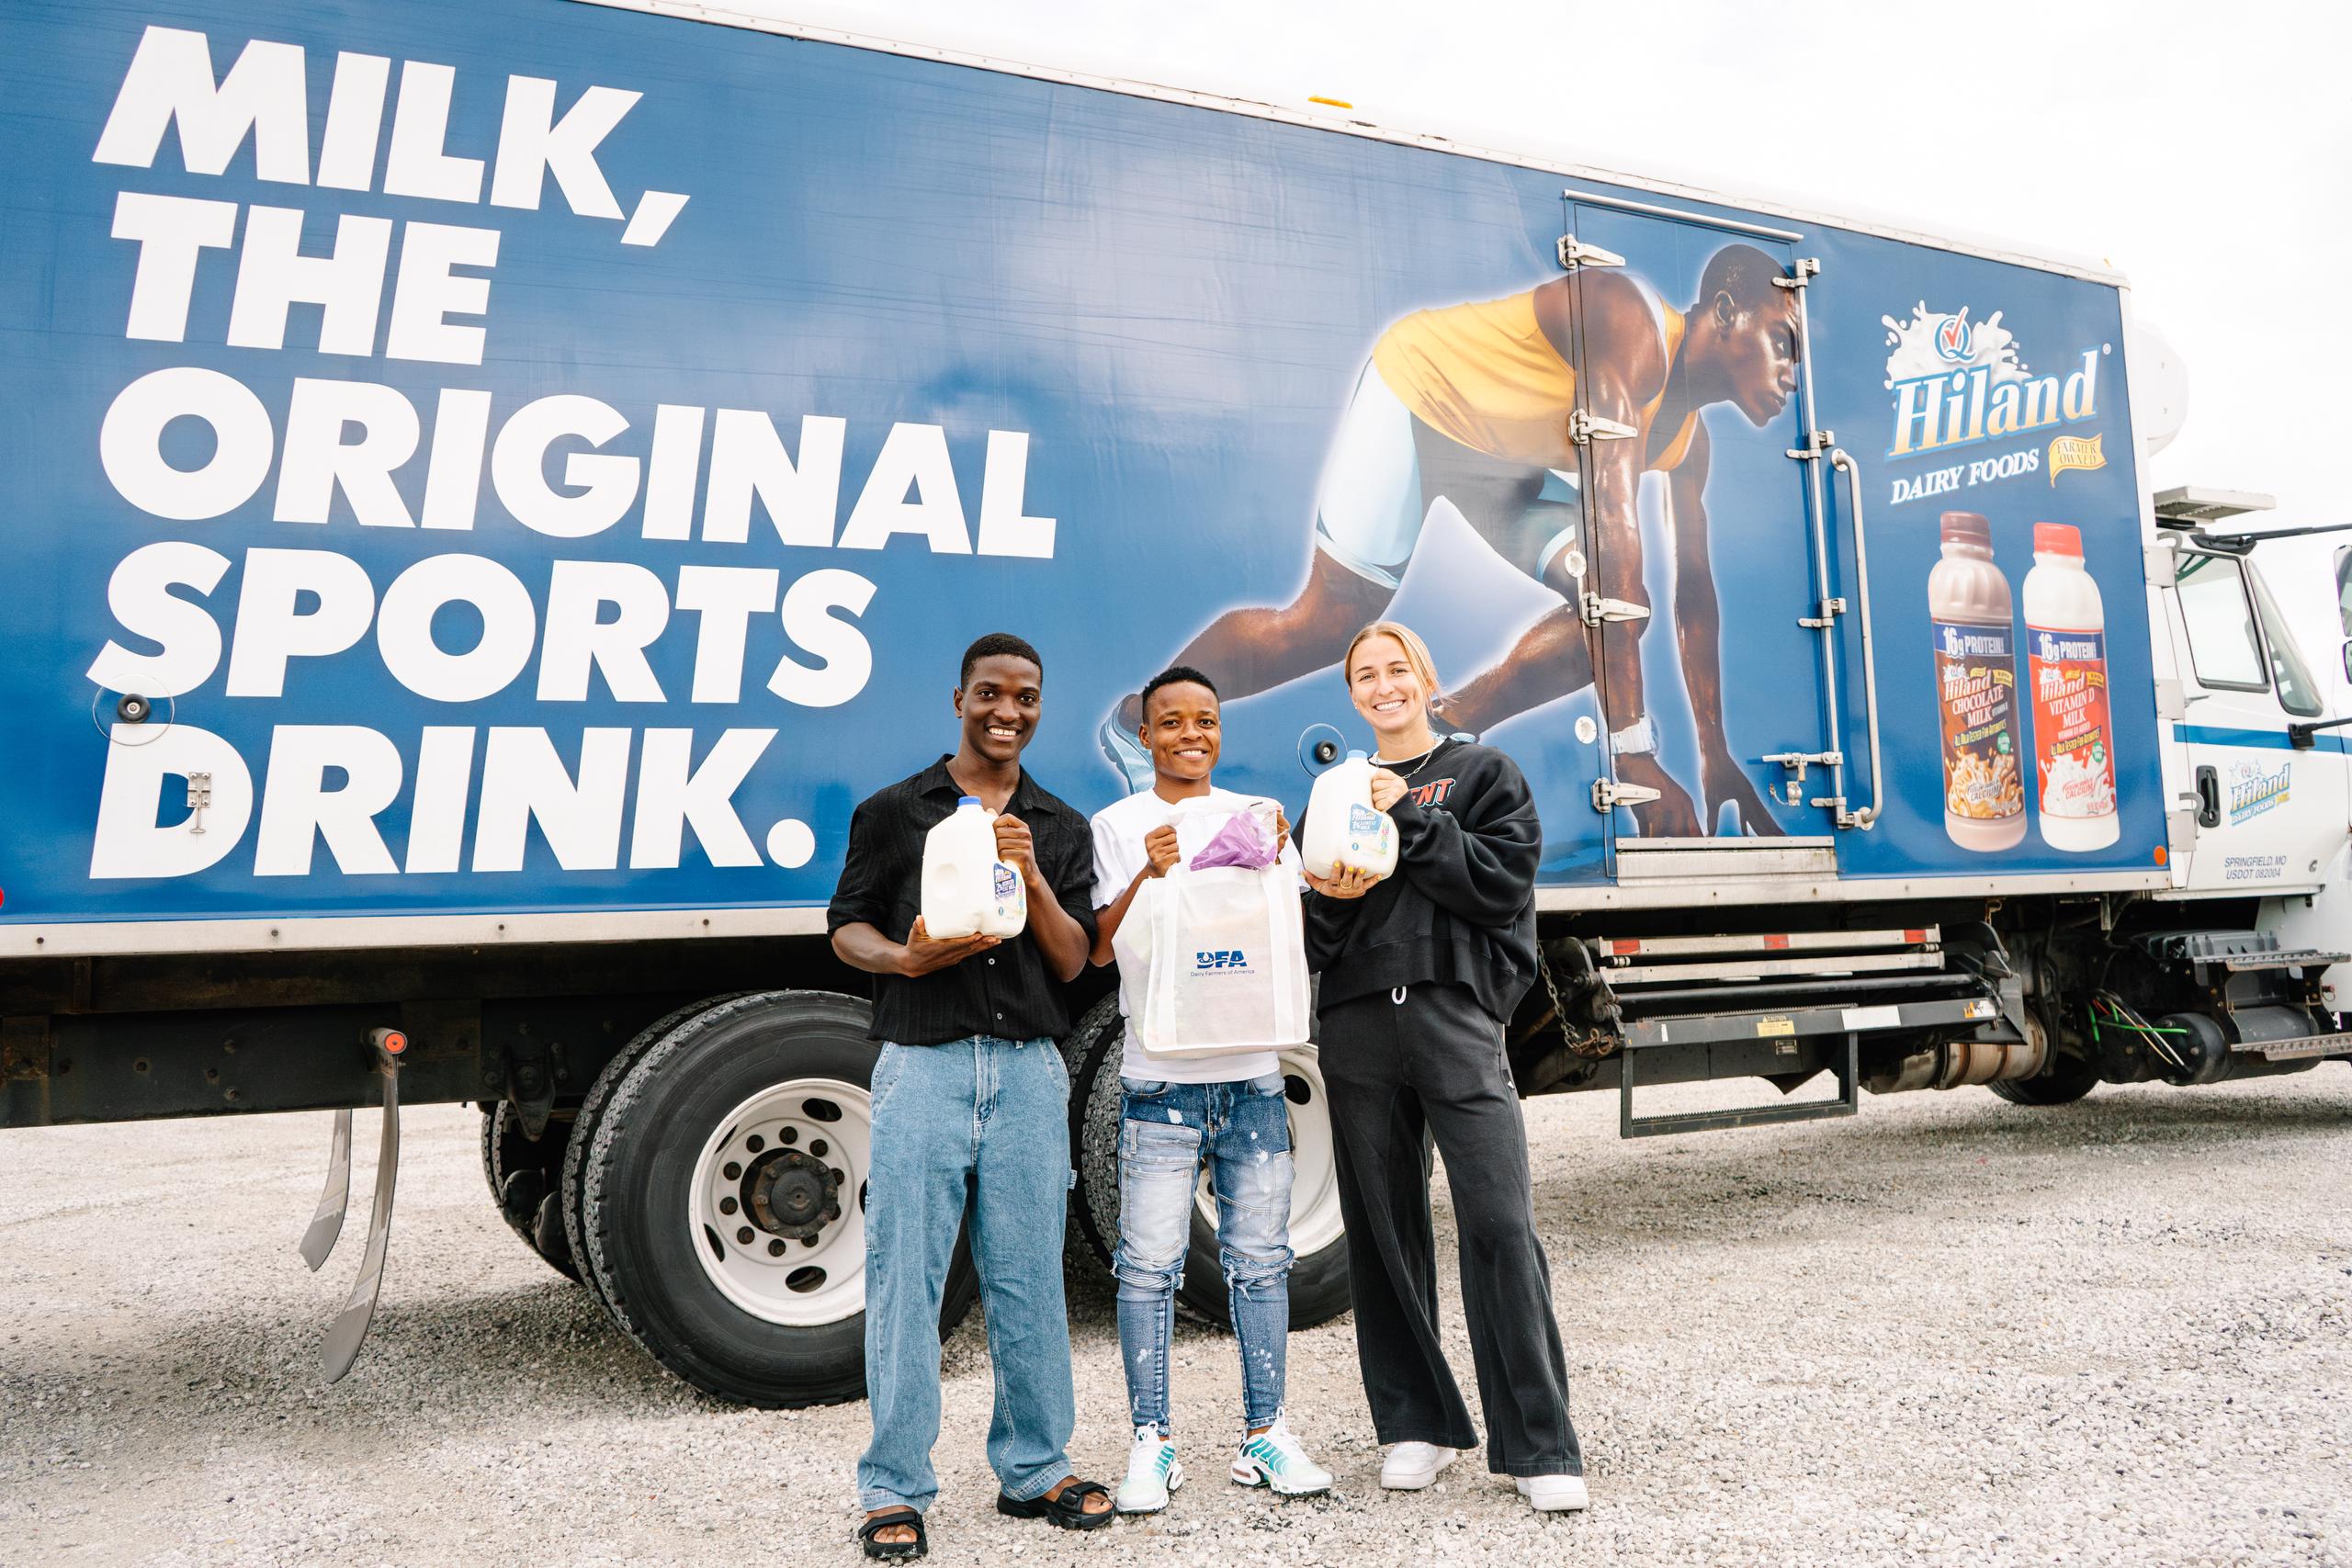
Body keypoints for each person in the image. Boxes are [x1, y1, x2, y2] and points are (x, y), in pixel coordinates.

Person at [1102, 244, 1801, 839]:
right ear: (1728, 312)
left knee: (1619, 609)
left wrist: (1713, 750)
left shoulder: (1689, 443)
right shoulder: (1630, 320)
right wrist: (1635, 755)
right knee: (1328, 625)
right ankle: (1135, 722)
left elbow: (1695, 595)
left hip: (1492, 463)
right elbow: (1614, 534)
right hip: (1420, 396)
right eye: (1784, 341)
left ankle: (1443, 726)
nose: (1793, 372)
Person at [828, 632, 1114, 1559]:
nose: (1008, 710)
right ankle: (893, 1485)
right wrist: (905, 957)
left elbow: (1073, 961)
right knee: (904, 1278)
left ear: (1039, 707)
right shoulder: (891, 813)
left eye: (1026, 696)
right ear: (959, 699)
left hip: (1030, 1068)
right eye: (990, 693)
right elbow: (846, 931)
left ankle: (1035, 1468)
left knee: (1028, 1276)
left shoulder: (1059, 826)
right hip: (924, 1062)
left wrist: (1029, 872)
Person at [1299, 620, 1588, 1512]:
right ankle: (1413, 1428)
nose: (1382, 686)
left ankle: (1539, 1447)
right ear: (1351, 695)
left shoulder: (1480, 773)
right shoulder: (1333, 792)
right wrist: (1326, 893)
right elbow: (1319, 929)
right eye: (1364, 676)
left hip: (1453, 1019)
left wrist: (1410, 815)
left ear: (1425, 679)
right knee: (1382, 1235)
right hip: (1356, 1027)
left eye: (1396, 670)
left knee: (1499, 1223)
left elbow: (1499, 885)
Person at [1086, 665, 1335, 1514]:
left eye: (1205, 720)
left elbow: (1303, 904)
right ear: (1145, 734)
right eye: (1172, 721)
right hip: (1160, 1079)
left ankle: (1264, 1433)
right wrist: (1145, 878)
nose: (1191, 734)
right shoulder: (1117, 826)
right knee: (1148, 1266)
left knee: (1262, 1264)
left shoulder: (1255, 817)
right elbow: (1094, 949)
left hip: (1254, 1077)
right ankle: (1150, 1441)